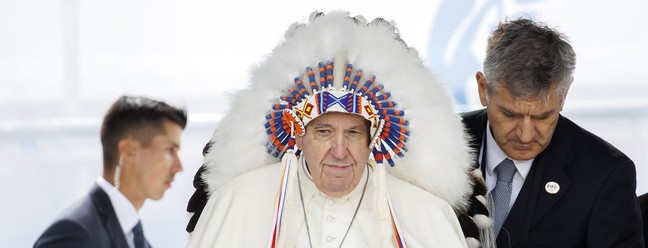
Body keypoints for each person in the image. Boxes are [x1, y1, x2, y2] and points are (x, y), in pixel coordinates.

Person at [186, 11, 492, 248]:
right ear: (298, 135)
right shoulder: (238, 203)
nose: (340, 150)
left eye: (354, 133)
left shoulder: (424, 213)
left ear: (373, 139)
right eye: (324, 132)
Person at [462, 18, 645, 247]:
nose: (525, 135)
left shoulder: (604, 175)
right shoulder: (436, 142)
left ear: (564, 96)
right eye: (510, 114)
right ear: (483, 89)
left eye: (542, 117)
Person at [34, 95, 187, 248]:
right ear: (129, 151)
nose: (179, 166)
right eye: (169, 150)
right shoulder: (74, 235)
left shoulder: (136, 239)